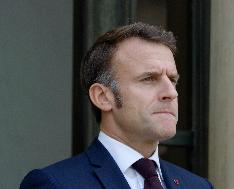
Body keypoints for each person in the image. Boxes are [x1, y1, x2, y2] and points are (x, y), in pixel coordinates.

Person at [20, 22, 214, 189]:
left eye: (172, 80)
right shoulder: (56, 184)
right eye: (149, 79)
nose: (171, 93)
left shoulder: (199, 186)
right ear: (103, 97)